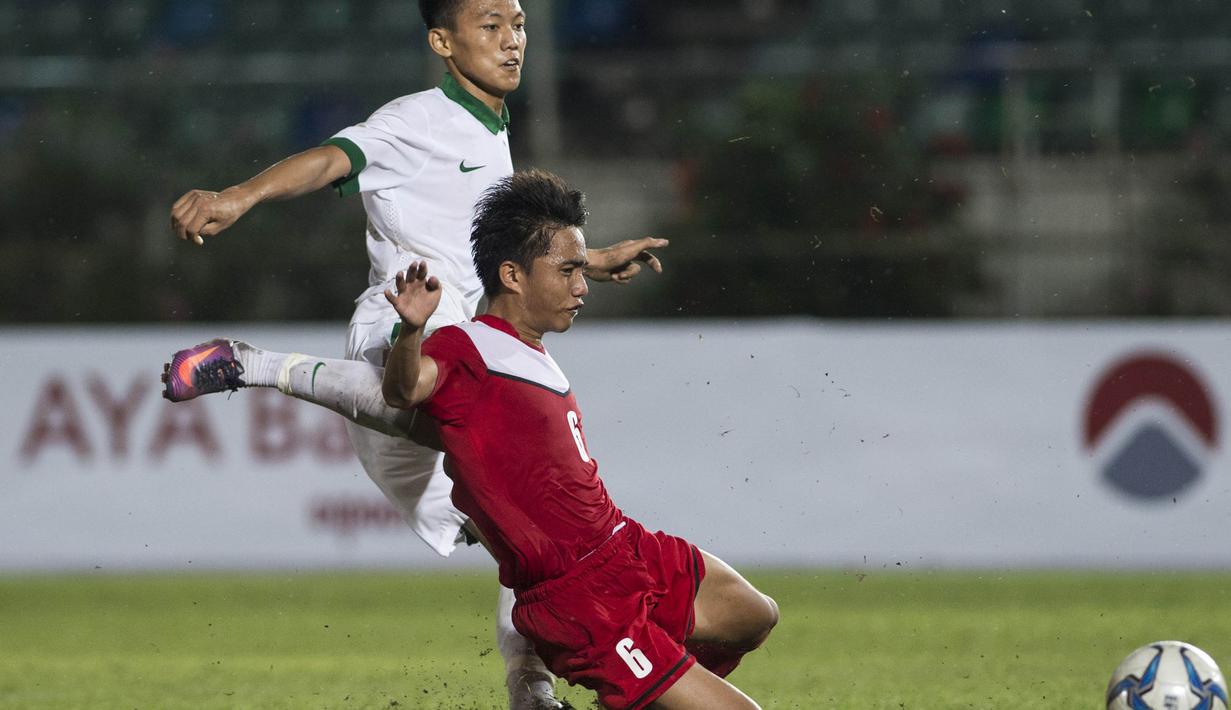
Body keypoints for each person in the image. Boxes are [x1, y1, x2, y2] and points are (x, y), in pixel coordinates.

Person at [167, 2, 666, 708]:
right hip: (405, 320)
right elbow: (337, 157)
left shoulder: (489, 127)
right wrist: (238, 196)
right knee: (514, 485)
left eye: (519, 24)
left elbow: (492, 244)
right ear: (442, 41)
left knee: (522, 527)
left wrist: (589, 261)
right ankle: (251, 364)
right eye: (489, 25)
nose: (512, 40)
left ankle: (530, 688)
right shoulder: (417, 119)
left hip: (461, 337)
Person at [162, 170, 778, 709]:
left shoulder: (526, 350)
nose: (582, 286)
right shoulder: (467, 347)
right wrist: (410, 331)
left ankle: (631, 688)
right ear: (512, 276)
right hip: (585, 599)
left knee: (754, 616)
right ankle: (247, 363)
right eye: (568, 272)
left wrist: (589, 256)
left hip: (624, 547)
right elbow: (402, 391)